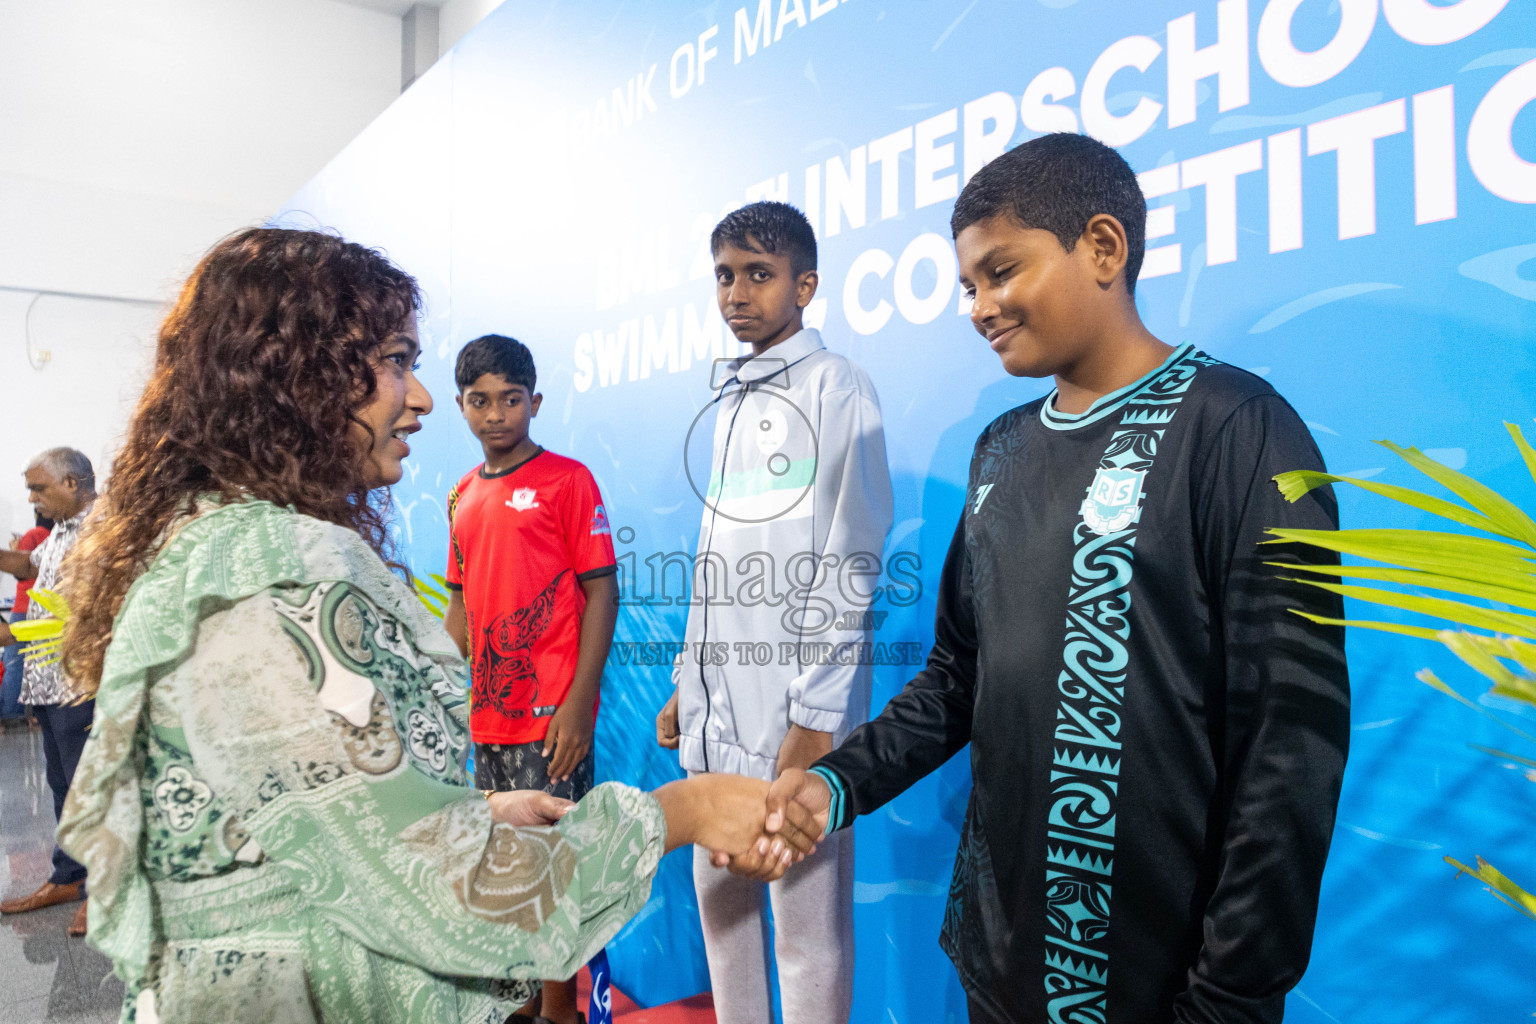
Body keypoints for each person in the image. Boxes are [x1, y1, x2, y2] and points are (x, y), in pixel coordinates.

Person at [52, 227, 818, 1024]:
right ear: (298, 373)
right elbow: (444, 892)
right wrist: (685, 811)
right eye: (394, 360)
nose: (417, 398)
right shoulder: (277, 572)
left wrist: (476, 807)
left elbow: (307, 814)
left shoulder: (215, 547)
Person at [755, 134, 1351, 1023]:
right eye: (968, 285)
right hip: (997, 963)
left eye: (1002, 271)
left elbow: (1289, 744)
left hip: (1168, 985)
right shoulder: (1000, 450)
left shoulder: (1239, 429)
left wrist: (1230, 995)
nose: (980, 306)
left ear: (1103, 248)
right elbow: (959, 676)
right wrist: (836, 782)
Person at [657, 201, 893, 1024]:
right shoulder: (728, 400)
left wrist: (818, 718)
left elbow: (851, 556)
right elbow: (714, 567)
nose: (738, 293)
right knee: (722, 911)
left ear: (806, 284)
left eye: (760, 274)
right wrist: (690, 683)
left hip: (796, 715)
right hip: (716, 721)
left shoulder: (837, 387)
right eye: (725, 275)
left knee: (806, 931)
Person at [442, 334, 620, 1024]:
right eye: (480, 401)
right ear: (461, 406)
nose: (496, 414)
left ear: (534, 402)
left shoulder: (568, 481)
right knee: (501, 870)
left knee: (555, 870)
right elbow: (459, 606)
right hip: (486, 719)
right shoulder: (460, 495)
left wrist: (580, 704)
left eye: (510, 399)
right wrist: (436, 695)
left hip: (552, 720)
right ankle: (518, 1005)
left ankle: (560, 1012)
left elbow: (602, 595)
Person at [0, 449, 98, 937]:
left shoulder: (107, 529)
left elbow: (92, 614)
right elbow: (27, 568)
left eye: (39, 490)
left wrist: (13, 635)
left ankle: (104, 890)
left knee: (92, 788)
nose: (34, 500)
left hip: (82, 681)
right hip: (48, 680)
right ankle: (69, 875)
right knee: (63, 785)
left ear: (73, 483)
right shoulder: (60, 530)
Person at [1, 511, 53, 727]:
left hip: (24, 605)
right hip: (44, 607)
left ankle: (11, 713)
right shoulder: (54, 536)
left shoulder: (32, 534)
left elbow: (23, 572)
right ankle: (32, 713)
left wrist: (14, 552)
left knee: (14, 662)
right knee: (38, 662)